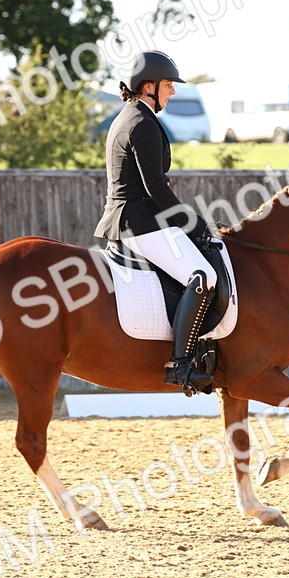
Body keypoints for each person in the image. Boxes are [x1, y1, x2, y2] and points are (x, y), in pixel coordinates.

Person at [93, 50, 217, 394]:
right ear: (148, 87)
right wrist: (193, 224)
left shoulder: (130, 117)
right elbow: (156, 188)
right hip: (138, 223)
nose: (172, 92)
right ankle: (180, 364)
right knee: (203, 276)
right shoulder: (141, 123)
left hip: (133, 220)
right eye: (168, 85)